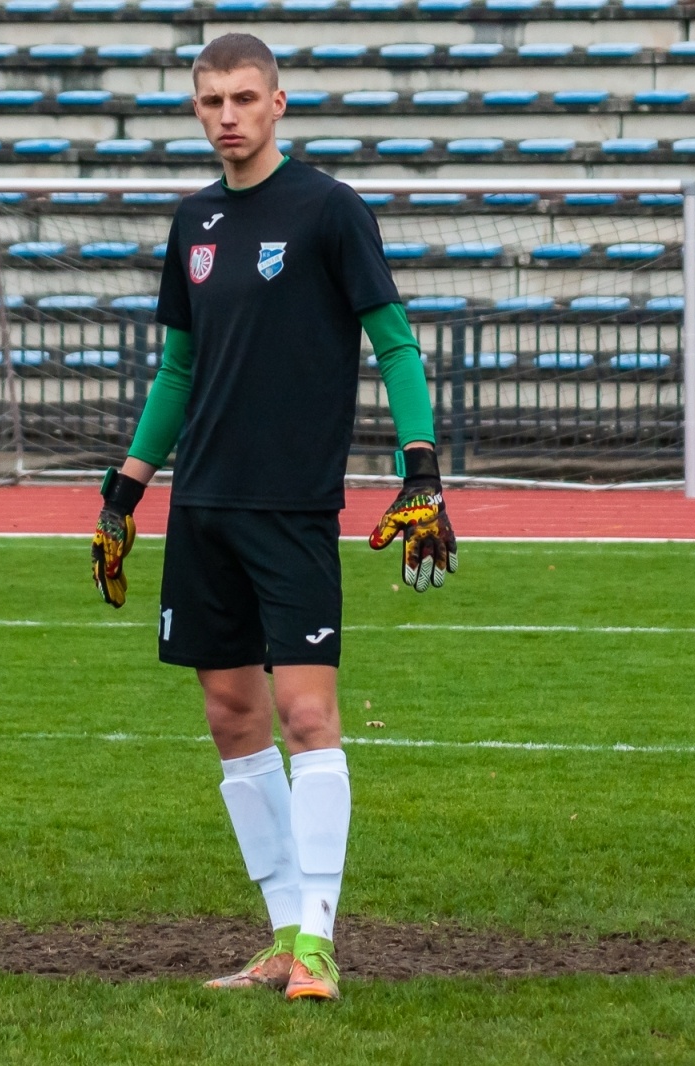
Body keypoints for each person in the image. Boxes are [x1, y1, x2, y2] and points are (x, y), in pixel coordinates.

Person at [88, 31, 458, 1003]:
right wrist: (124, 491)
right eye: (212, 101)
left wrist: (421, 468)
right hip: (202, 507)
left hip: (292, 507)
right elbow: (177, 370)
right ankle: (284, 932)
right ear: (196, 108)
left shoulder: (330, 210)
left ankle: (321, 945)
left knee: (305, 714)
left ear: (279, 103)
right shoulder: (192, 221)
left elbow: (396, 344)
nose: (228, 116)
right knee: (230, 716)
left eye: (245, 98)